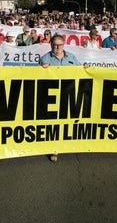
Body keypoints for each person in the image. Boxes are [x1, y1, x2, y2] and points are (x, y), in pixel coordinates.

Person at [39, 34, 82, 162]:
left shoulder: (72, 57)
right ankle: (54, 149)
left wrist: (85, 68)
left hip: (68, 93)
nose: (57, 47)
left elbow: (80, 71)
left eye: (60, 45)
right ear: (51, 45)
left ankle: (67, 143)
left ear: (64, 45)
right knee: (54, 123)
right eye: (55, 45)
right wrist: (41, 70)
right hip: (52, 95)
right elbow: (36, 78)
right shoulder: (44, 59)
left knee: (68, 120)